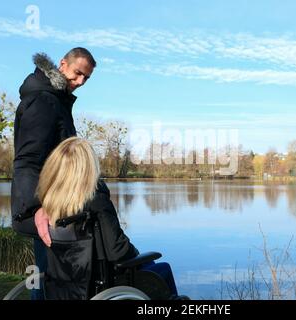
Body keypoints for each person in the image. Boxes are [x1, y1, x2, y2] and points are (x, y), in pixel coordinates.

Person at [36, 137, 180, 299]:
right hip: (102, 284)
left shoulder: (49, 205)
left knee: (147, 264)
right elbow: (118, 251)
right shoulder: (96, 201)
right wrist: (135, 252)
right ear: (89, 169)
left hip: (66, 285)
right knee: (162, 269)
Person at [11, 48, 96, 299]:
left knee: (48, 281)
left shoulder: (57, 100)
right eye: (77, 73)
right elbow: (28, 160)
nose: (80, 82)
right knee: (47, 282)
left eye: (86, 78)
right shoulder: (44, 100)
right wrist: (36, 208)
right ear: (62, 64)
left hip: (57, 208)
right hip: (47, 211)